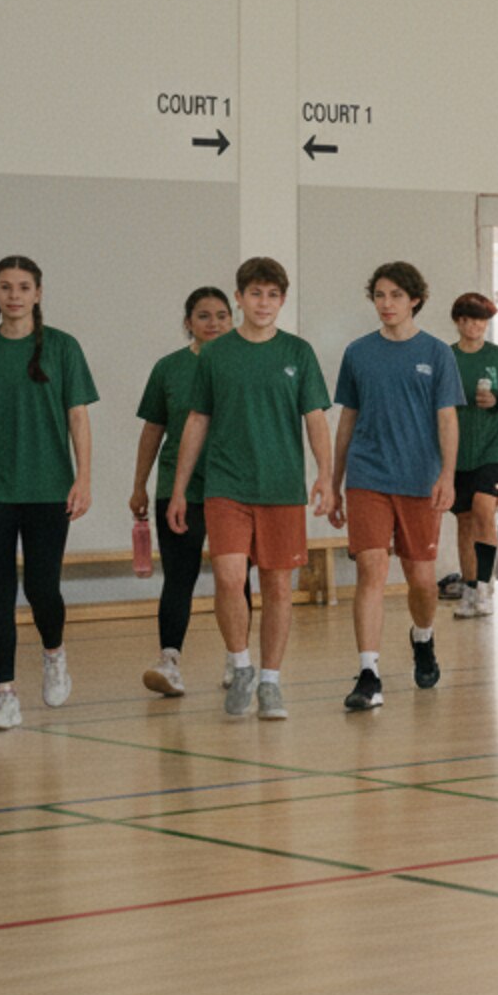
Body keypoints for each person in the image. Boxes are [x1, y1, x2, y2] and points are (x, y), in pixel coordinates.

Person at [168, 256, 333, 721]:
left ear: (282, 300)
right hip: (226, 485)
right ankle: (240, 664)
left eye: (273, 295)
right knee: (229, 578)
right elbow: (197, 420)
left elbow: (316, 418)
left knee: (278, 587)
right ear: (239, 299)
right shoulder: (216, 353)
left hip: (282, 488)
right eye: (255, 294)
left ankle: (271, 681)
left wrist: (325, 474)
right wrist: (180, 489)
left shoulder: (298, 353)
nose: (264, 303)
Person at [0, 256, 98, 732]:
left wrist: (84, 478)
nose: (14, 295)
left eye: (23, 286)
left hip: (47, 487)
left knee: (41, 588)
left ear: (38, 293)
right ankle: (5, 695)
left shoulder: (62, 348)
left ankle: (54, 653)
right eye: (5, 286)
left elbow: (79, 417)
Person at [329, 262, 463, 712]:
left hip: (419, 480)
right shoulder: (358, 353)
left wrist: (447, 475)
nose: (386, 304)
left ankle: (422, 638)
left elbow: (448, 419)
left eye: (396, 296)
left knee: (422, 580)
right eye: (380, 296)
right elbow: (347, 418)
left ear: (415, 300)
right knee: (371, 569)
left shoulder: (438, 354)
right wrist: (334, 480)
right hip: (368, 477)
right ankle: (369, 672)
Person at [130, 285, 236, 698]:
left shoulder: (242, 364)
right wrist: (139, 484)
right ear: (188, 323)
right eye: (204, 316)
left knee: (233, 577)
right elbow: (152, 430)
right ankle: (169, 661)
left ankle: (237, 659)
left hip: (232, 487)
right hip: (179, 490)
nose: (214, 323)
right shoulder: (169, 369)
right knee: (179, 576)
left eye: (222, 315)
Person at [447, 292, 498, 621]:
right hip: (456, 451)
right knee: (463, 520)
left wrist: (497, 399)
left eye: (481, 320)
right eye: (469, 319)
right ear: (458, 322)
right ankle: (470, 585)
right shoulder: (445, 358)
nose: (475, 326)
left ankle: (486, 585)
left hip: (492, 448)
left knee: (483, 509)